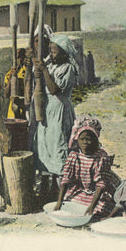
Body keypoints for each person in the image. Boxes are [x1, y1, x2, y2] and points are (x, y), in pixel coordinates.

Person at [30, 34, 78, 204]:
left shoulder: (68, 68)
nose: (51, 55)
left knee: (58, 145)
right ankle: (45, 188)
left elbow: (54, 89)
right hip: (47, 109)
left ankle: (59, 190)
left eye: (55, 52)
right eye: (50, 51)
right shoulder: (49, 64)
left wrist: (43, 71)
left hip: (59, 110)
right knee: (44, 145)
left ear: (64, 53)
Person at [54, 116, 120, 221]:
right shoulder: (74, 156)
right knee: (69, 204)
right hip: (83, 190)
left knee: (100, 209)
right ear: (77, 139)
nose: (85, 142)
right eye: (82, 139)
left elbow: (101, 185)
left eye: (89, 139)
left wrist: (92, 206)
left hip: (100, 192)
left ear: (95, 140)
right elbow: (66, 179)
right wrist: (59, 202)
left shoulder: (101, 157)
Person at [4, 48, 31, 119]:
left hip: (27, 109)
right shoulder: (9, 73)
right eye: (18, 57)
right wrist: (11, 79)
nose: (20, 60)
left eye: (22, 57)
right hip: (14, 110)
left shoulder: (29, 71)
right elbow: (6, 94)